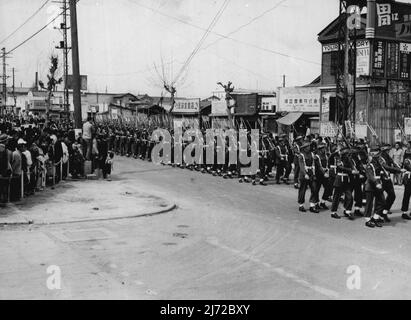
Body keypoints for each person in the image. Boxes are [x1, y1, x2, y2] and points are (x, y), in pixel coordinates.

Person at [297, 141, 318, 213]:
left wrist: (314, 174)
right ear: (304, 148)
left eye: (309, 146)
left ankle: (312, 205)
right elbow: (301, 165)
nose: (309, 147)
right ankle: (301, 205)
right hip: (304, 174)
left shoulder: (312, 154)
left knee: (314, 188)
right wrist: (305, 174)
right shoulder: (301, 155)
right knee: (302, 189)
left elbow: (314, 164)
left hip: (311, 173)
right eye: (307, 146)